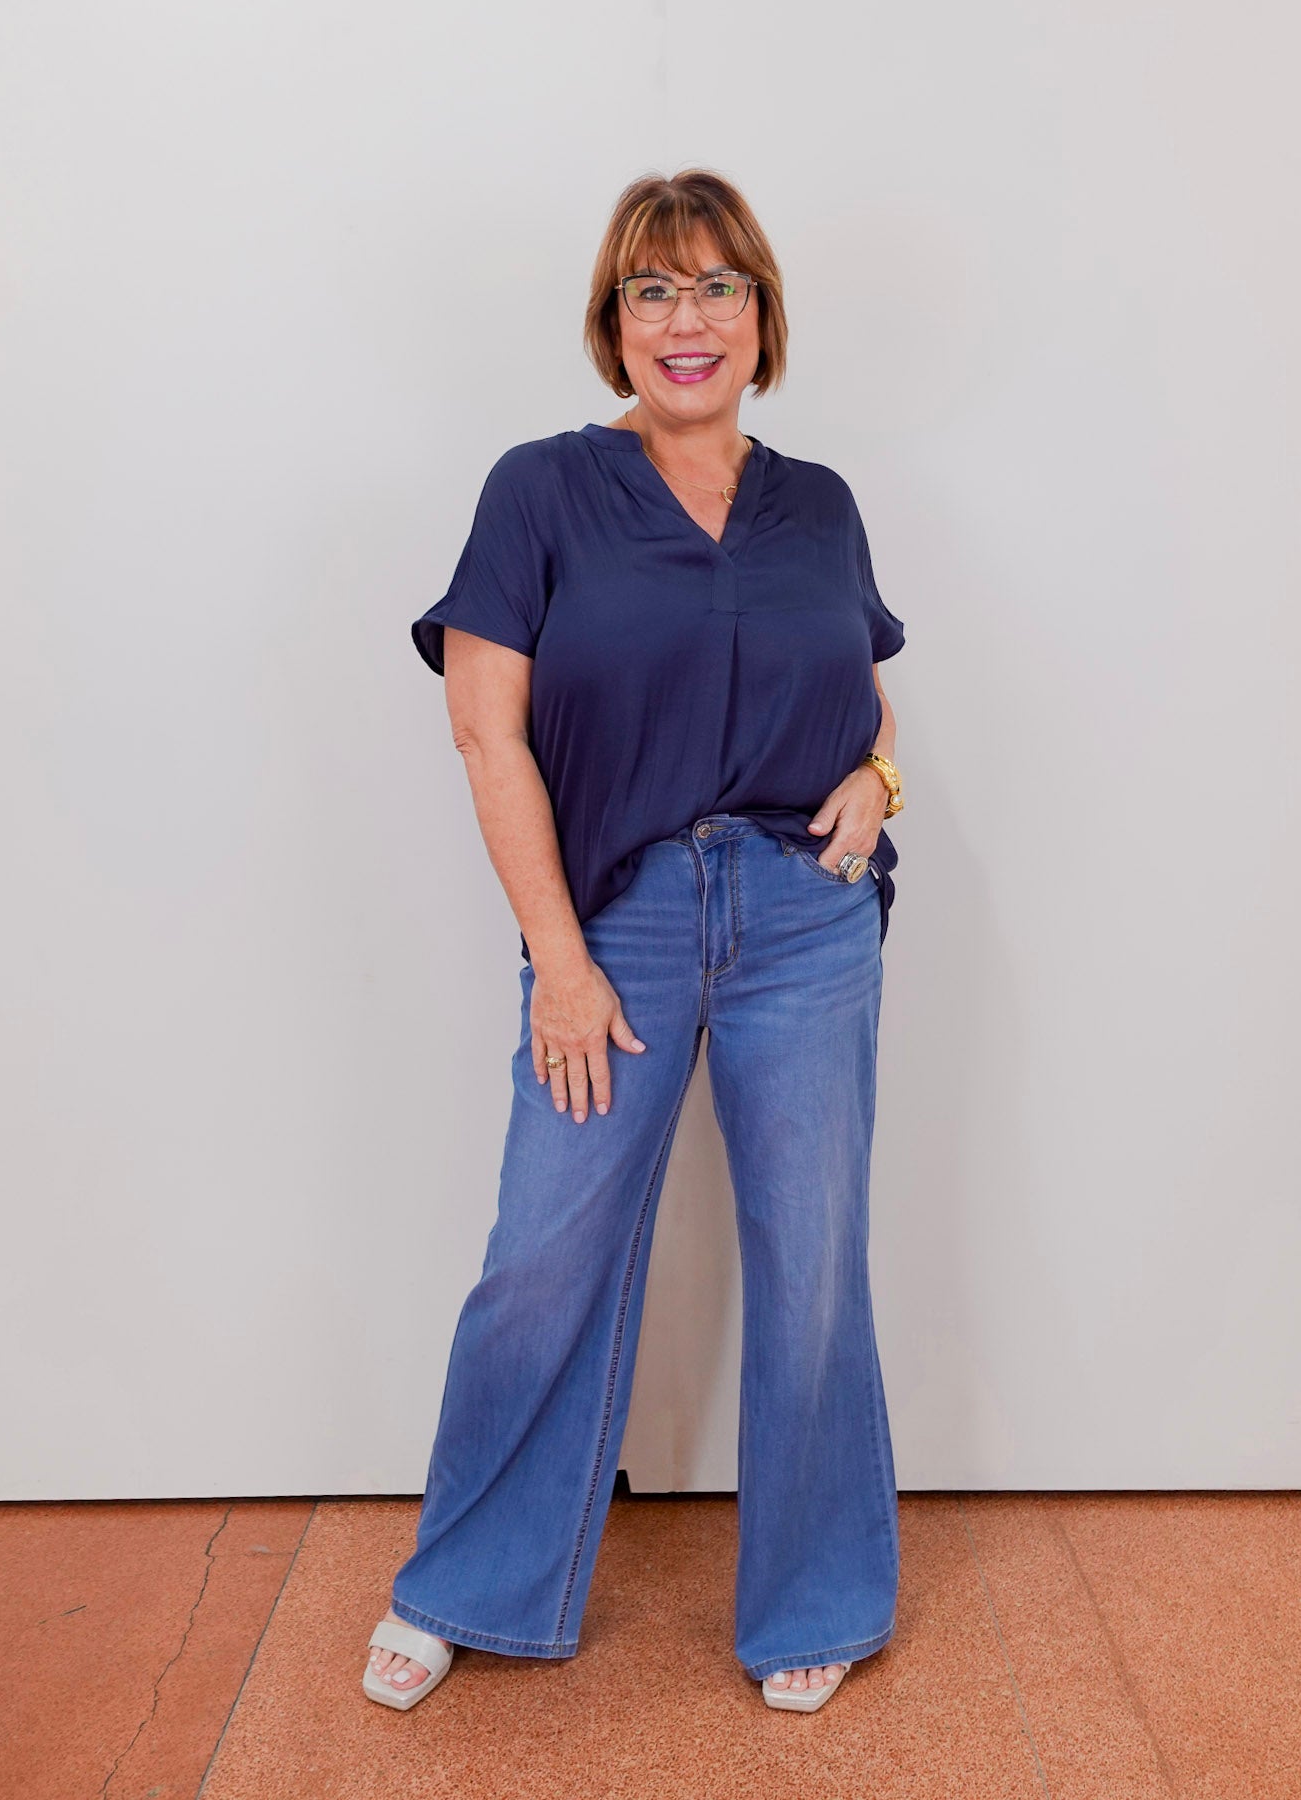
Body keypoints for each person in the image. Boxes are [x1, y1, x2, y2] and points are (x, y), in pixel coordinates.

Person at [364, 168, 908, 1715]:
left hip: (807, 918)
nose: (689, 319)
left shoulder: (820, 504)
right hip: (621, 919)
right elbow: (487, 731)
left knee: (812, 1262)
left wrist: (877, 783)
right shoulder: (541, 487)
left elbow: (864, 695)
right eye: (654, 291)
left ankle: (814, 1592)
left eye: (719, 287)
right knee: (543, 1256)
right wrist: (562, 955)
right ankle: (466, 1579)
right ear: (615, 323)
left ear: (762, 317)